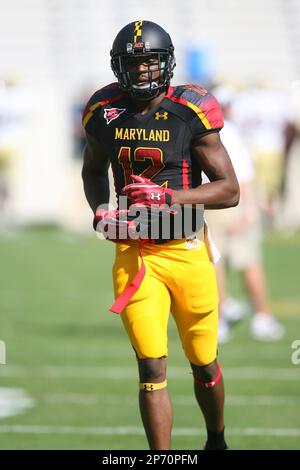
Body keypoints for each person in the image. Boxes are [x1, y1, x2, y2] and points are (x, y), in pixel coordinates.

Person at [81, 20, 239, 450]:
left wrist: (167, 196)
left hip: (186, 250)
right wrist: (100, 213)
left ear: (166, 64)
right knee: (151, 366)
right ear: (119, 67)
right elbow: (93, 170)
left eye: (150, 63)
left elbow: (229, 191)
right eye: (134, 64)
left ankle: (216, 439)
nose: (144, 72)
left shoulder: (189, 109)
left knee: (204, 363)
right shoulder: (105, 110)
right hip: (136, 255)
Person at [204, 86, 284, 343]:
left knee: (216, 263)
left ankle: (225, 315)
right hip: (229, 200)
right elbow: (244, 176)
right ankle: (258, 317)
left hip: (210, 201)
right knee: (242, 262)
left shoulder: (205, 129)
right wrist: (249, 209)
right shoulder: (228, 131)